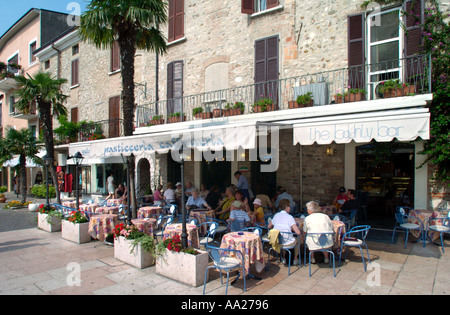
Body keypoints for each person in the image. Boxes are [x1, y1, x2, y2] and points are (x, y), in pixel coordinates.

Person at [267, 199, 301, 265]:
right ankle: (295, 259)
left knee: (281, 237)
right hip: (287, 241)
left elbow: (269, 226)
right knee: (297, 239)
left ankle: (283, 257)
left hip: (277, 241)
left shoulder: (276, 215)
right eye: (289, 206)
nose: (290, 208)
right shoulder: (290, 217)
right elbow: (298, 232)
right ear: (286, 207)